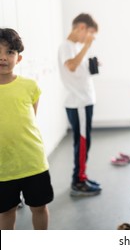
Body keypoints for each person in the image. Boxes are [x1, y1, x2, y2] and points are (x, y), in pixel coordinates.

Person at [0, 28, 54, 229]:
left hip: (32, 162)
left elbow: (31, 118)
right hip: (3, 166)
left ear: (19, 58)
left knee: (39, 207)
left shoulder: (30, 86)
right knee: (6, 212)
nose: (3, 58)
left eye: (9, 52)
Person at [58, 13, 101, 196]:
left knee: (84, 142)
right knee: (82, 142)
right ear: (81, 27)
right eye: (90, 34)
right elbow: (71, 66)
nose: (90, 38)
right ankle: (78, 181)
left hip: (84, 101)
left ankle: (81, 176)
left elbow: (78, 68)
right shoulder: (66, 46)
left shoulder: (75, 47)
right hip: (79, 103)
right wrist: (88, 46)